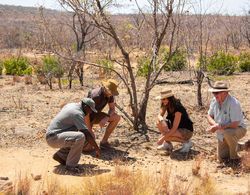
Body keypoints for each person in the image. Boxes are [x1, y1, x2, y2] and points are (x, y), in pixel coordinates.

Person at [46, 98, 100, 173]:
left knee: (76, 133)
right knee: (80, 136)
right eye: (90, 110)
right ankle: (71, 166)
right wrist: (97, 148)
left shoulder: (71, 105)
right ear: (85, 106)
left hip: (55, 135)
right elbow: (86, 133)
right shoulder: (77, 113)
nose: (90, 112)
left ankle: (61, 156)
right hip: (53, 138)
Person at [207, 81, 247, 165]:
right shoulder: (214, 100)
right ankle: (243, 146)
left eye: (216, 93)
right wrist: (215, 125)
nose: (214, 94)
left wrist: (219, 126)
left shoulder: (233, 103)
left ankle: (234, 158)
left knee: (228, 133)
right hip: (222, 132)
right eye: (214, 92)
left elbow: (235, 123)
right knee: (222, 157)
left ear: (225, 93)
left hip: (238, 129)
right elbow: (209, 116)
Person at [85, 79, 121, 149]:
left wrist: (106, 117)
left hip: (95, 115)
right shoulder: (95, 96)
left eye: (112, 92)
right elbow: (85, 114)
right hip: (85, 118)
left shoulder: (109, 94)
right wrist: (90, 130)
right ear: (105, 88)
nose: (111, 94)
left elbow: (112, 109)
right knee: (88, 148)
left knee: (116, 117)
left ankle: (104, 142)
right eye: (111, 92)